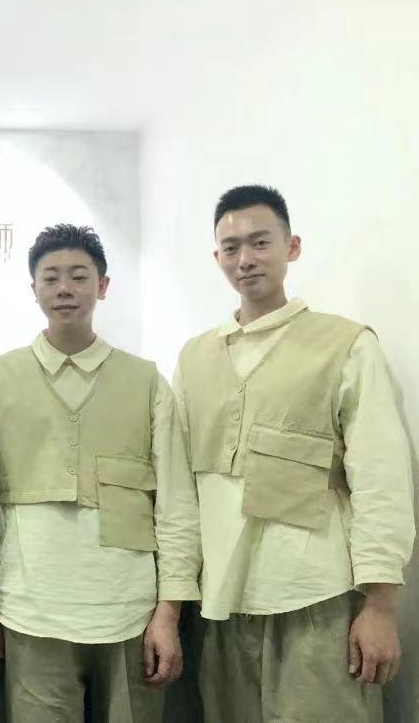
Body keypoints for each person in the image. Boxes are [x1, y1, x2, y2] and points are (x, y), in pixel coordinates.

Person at [174, 185, 415, 723]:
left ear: (292, 247)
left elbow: (381, 479)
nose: (246, 258)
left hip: (318, 600)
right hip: (220, 607)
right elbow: (181, 493)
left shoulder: (346, 344)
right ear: (218, 258)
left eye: (260, 242)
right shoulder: (194, 358)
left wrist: (379, 606)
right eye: (231, 247)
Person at [0, 224, 201, 722]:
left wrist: (169, 612)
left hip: (130, 609)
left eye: (79, 276)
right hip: (29, 609)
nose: (65, 289)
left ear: (103, 285)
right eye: (51, 277)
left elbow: (177, 504)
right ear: (33, 288)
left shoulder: (145, 380)